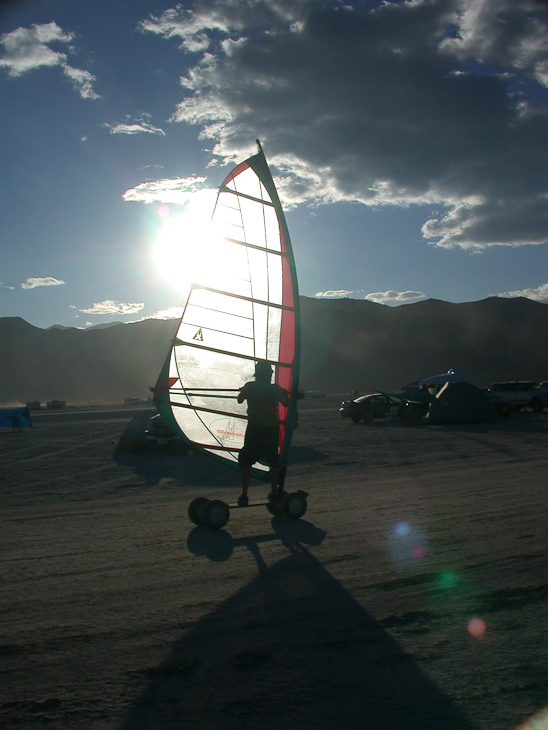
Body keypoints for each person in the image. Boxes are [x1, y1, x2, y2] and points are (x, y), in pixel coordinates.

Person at [237, 361, 289, 506]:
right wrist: (283, 393)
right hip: (271, 429)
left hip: (254, 428)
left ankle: (244, 495)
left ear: (257, 375)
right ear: (269, 375)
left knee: (246, 460)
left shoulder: (250, 386)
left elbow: (239, 400)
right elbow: (285, 403)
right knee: (273, 460)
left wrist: (244, 391)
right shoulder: (275, 389)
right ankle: (273, 492)